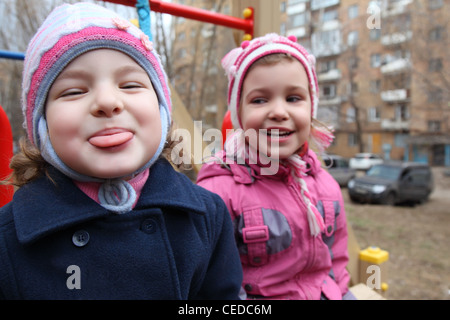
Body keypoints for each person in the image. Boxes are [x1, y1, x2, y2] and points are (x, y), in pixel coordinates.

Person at [0, 2, 242, 300]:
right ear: (42, 124)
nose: (107, 101)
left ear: (161, 109)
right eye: (74, 91)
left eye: (129, 84)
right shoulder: (9, 240)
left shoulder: (206, 216)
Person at [197, 33, 354, 300]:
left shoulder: (325, 185)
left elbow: (336, 259)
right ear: (239, 114)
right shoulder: (219, 192)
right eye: (260, 100)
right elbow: (213, 284)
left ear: (311, 109)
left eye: (293, 98)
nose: (279, 112)